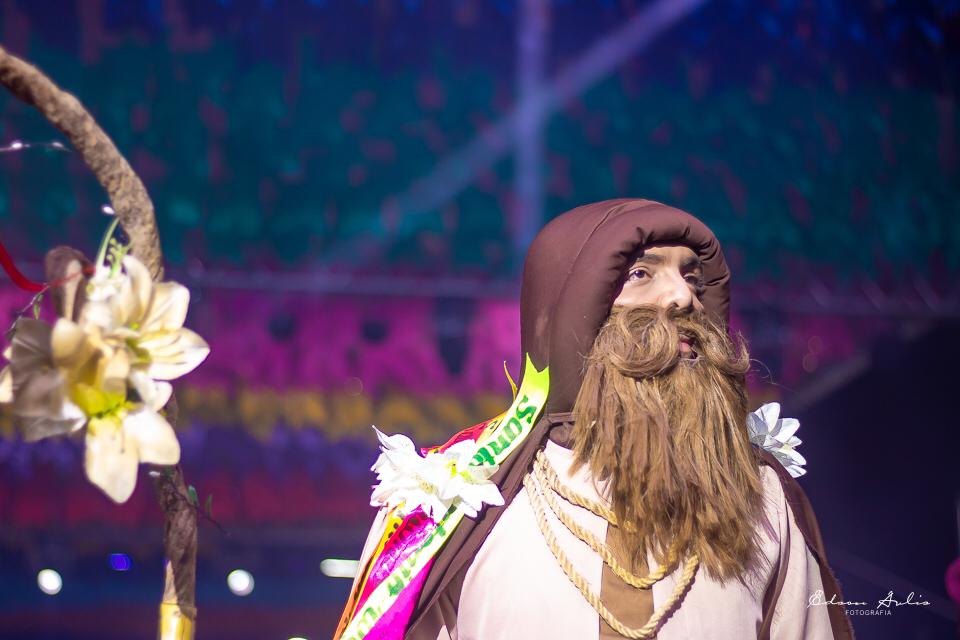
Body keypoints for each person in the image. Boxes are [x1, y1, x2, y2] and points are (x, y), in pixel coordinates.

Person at [335, 199, 854, 639]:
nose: (683, 297)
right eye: (641, 274)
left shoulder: (760, 497)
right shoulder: (453, 503)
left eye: (694, 279)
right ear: (570, 312)